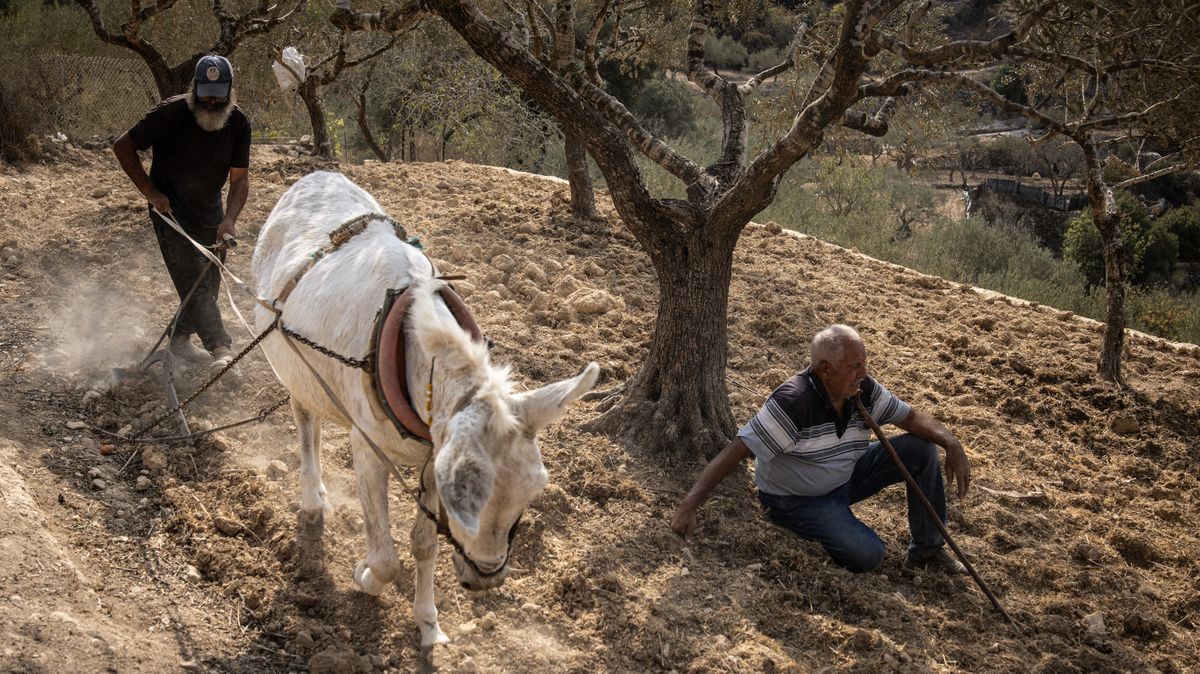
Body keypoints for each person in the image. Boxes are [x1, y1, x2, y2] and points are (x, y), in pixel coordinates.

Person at [671, 324, 972, 574]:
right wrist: (689, 504)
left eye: (864, 364)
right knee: (869, 555)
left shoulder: (861, 389)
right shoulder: (793, 402)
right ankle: (808, 521)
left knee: (922, 449)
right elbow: (738, 449)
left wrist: (951, 442)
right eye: (854, 366)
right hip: (797, 500)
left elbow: (910, 418)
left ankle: (927, 551)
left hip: (845, 477)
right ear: (826, 369)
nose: (863, 373)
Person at [112, 54, 250, 373]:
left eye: (218, 96)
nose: (211, 102)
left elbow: (240, 180)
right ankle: (221, 348)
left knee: (208, 279)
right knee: (192, 276)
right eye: (206, 95)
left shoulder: (239, 123)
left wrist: (229, 220)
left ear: (230, 91)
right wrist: (150, 192)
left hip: (211, 212)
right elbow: (123, 146)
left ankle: (179, 341)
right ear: (194, 89)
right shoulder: (170, 113)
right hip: (170, 212)